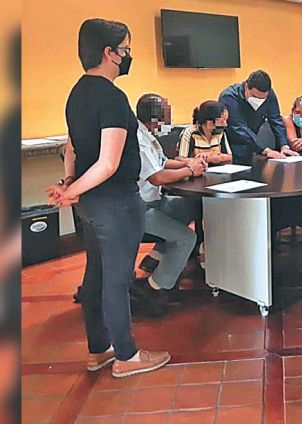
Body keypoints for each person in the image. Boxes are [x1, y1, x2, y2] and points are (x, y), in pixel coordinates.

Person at [46, 18, 169, 378]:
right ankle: (127, 356)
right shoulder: (112, 97)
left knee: (97, 275)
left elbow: (72, 148)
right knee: (117, 280)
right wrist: (69, 191)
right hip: (116, 202)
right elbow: (108, 162)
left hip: (90, 205)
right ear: (109, 53)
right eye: (126, 49)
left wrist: (71, 184)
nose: (128, 55)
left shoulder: (77, 93)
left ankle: (99, 350)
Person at [134, 93, 206, 314]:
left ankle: (156, 256)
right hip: (139, 209)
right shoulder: (137, 140)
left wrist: (189, 162)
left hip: (156, 201)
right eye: (166, 116)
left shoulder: (148, 134)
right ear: (155, 119)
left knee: (192, 207)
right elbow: (157, 177)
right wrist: (190, 170)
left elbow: (163, 162)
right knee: (186, 238)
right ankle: (155, 287)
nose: (170, 121)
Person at [218, 70, 299, 163]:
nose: (258, 101)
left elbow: (276, 120)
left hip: (252, 146)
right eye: (255, 96)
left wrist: (284, 146)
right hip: (232, 147)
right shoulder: (229, 97)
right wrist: (265, 150)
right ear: (246, 87)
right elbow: (239, 128)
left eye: (263, 98)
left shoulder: (270, 94)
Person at [177, 100, 233, 165]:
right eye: (222, 121)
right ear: (209, 122)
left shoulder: (220, 133)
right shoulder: (190, 132)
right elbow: (180, 160)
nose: (225, 124)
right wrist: (207, 159)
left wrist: (216, 156)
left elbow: (229, 157)